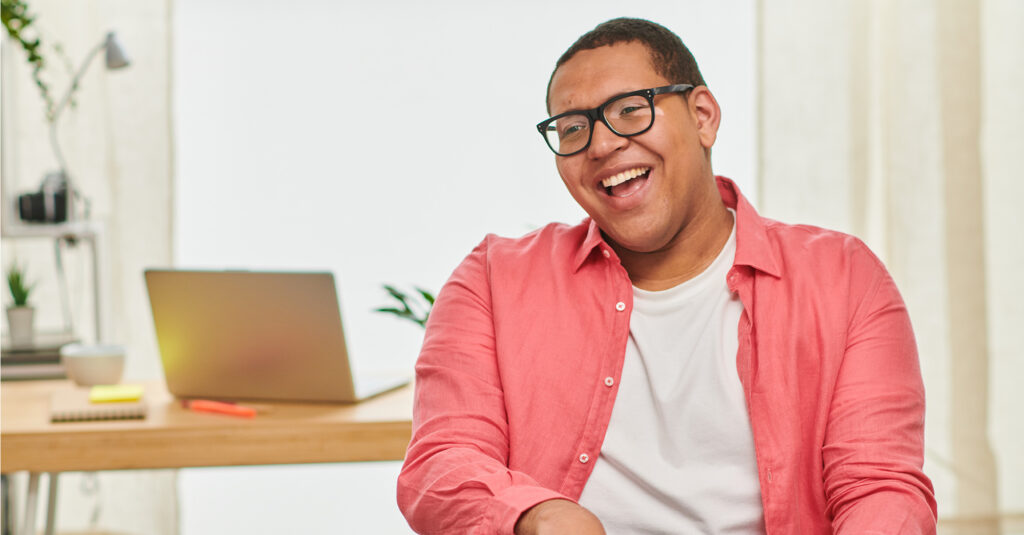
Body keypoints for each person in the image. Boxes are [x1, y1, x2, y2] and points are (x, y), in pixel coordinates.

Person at [397, 17, 936, 535]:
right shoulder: (493, 279)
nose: (602, 145)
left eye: (631, 110)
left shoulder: (843, 278)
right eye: (573, 128)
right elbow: (443, 461)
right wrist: (536, 516)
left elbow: (879, 489)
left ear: (703, 116)